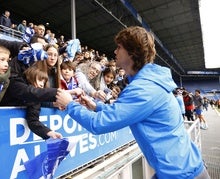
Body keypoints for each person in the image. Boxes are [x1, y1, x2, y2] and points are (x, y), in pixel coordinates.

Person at [56, 26, 210, 179]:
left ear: (132, 52)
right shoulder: (149, 83)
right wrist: (96, 106)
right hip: (182, 169)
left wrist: (70, 104)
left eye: (119, 47)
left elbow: (98, 124)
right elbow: (123, 110)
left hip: (181, 175)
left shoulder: (143, 89)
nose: (115, 52)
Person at [23, 61, 62, 139]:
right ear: (31, 77)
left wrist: (48, 132)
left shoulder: (35, 100)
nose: (42, 84)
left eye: (44, 83)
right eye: (40, 80)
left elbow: (33, 121)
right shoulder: (18, 87)